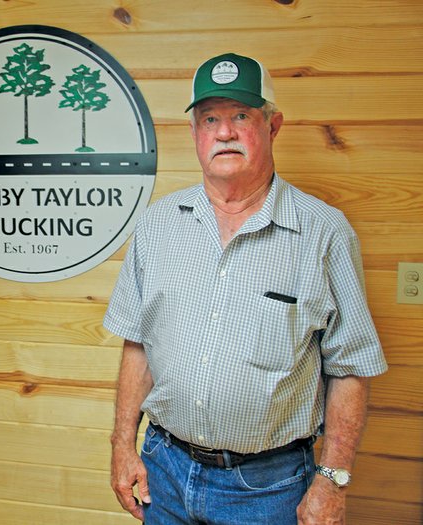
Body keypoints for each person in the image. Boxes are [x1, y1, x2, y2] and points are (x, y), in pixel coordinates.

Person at [104, 52, 387, 525]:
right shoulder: (157, 225)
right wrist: (122, 447)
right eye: (210, 118)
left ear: (273, 126)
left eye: (241, 116)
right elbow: (138, 344)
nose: (225, 132)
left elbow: (351, 368)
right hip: (164, 469)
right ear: (194, 133)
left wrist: (332, 480)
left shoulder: (323, 232)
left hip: (267, 488)